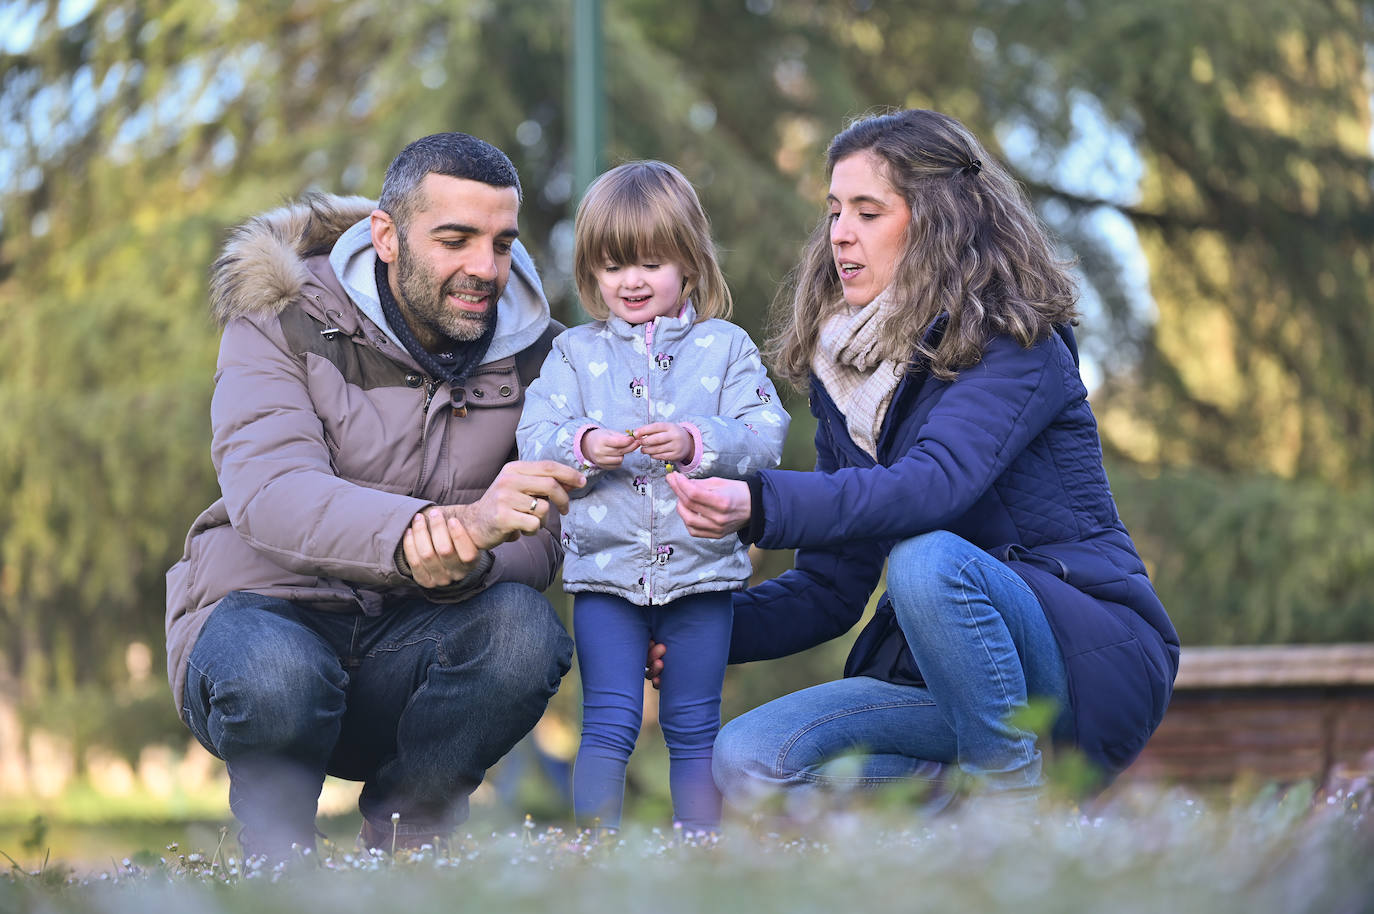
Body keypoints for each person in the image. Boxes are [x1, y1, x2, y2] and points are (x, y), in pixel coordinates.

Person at [663, 109, 1180, 810]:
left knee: (925, 560)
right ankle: (975, 822)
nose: (840, 233)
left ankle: (1014, 810)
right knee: (752, 758)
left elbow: (932, 486)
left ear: (937, 221)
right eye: (835, 210)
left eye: (869, 212)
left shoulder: (1013, 343)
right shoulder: (848, 379)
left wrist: (759, 503)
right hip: (946, 687)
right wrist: (697, 631)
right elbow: (830, 588)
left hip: (1079, 663)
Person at [165, 132, 586, 859]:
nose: (484, 269)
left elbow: (546, 535)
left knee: (524, 633)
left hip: (418, 644)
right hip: (267, 618)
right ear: (386, 237)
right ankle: (279, 862)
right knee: (275, 675)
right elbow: (271, 491)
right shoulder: (280, 315)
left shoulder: (543, 357)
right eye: (455, 239)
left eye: (501, 242)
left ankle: (407, 849)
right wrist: (420, 532)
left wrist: (472, 558)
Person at [518, 161, 789, 833]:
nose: (631, 281)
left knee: (694, 724)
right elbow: (534, 438)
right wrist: (586, 443)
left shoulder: (724, 349)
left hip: (701, 577)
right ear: (591, 272)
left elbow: (766, 434)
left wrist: (698, 441)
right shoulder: (576, 355)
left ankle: (700, 849)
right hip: (606, 578)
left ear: (690, 265)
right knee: (607, 720)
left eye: (650, 262)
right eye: (612, 266)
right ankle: (595, 852)